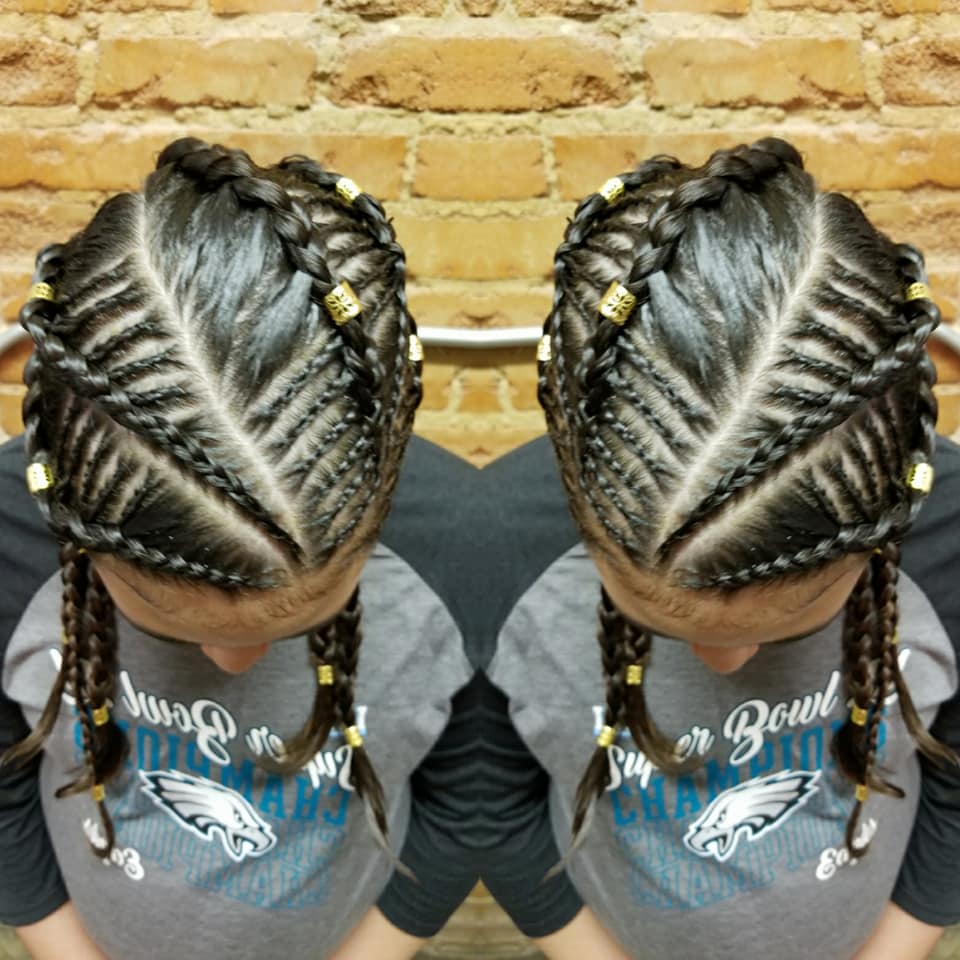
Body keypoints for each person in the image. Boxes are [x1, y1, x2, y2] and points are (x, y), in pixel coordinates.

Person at [0, 138, 479, 960]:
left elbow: (472, 800)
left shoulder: (461, 543)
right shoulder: (9, 534)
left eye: (307, 617)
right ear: (65, 517)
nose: (234, 665)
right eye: (162, 621)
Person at [482, 138, 960, 960]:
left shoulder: (951, 534)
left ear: (894, 519)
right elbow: (487, 799)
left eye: (797, 621)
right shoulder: (498, 542)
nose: (725, 664)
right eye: (652, 617)